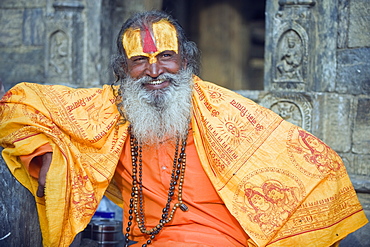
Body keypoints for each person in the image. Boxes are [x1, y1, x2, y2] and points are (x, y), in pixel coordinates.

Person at [0, 10, 367, 247]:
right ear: (121, 71)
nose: (155, 71)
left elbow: (319, 164)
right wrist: (44, 156)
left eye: (166, 58)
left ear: (185, 61)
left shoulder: (225, 111)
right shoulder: (109, 108)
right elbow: (18, 104)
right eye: (139, 61)